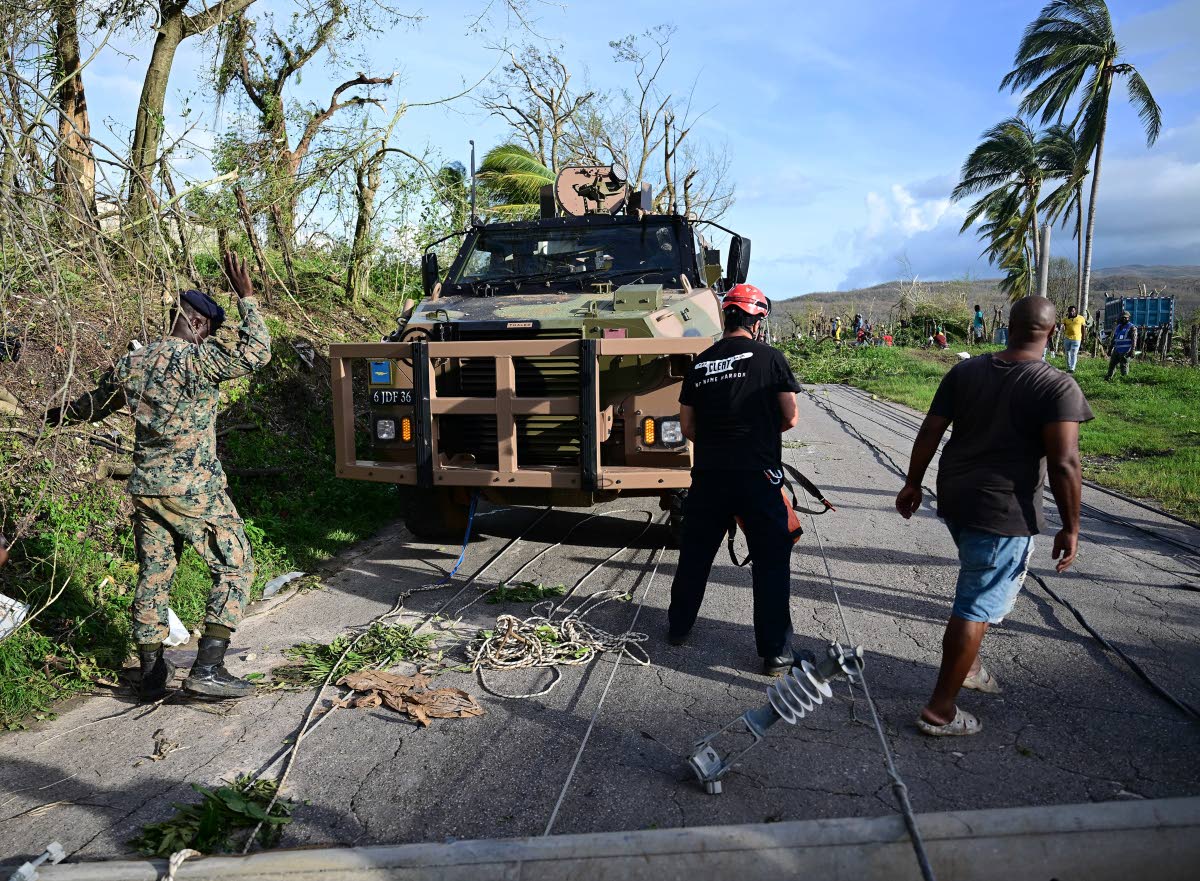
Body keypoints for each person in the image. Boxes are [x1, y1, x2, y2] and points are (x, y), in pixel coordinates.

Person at [44, 252, 272, 701]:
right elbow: (257, 352)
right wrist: (248, 298)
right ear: (200, 325)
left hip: (147, 489)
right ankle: (207, 668)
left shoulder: (134, 363)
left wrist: (50, 418)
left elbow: (91, 406)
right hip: (193, 489)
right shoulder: (199, 361)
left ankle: (151, 674)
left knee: (154, 575)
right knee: (236, 564)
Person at [895, 296, 1092, 736]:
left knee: (978, 577)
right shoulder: (1056, 386)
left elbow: (930, 428)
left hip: (956, 498)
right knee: (977, 604)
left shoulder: (966, 371)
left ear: (1008, 327)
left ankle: (968, 664)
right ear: (1054, 332)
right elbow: (1065, 463)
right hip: (1002, 509)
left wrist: (913, 482)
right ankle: (939, 710)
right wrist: (1072, 526)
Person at [668, 283, 810, 675]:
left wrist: (718, 443)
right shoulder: (770, 359)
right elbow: (791, 416)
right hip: (757, 477)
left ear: (726, 317)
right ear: (757, 319)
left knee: (695, 554)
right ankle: (776, 653)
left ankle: (678, 628)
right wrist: (758, 436)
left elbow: (687, 425)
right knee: (771, 560)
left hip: (710, 476)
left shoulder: (701, 362)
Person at [1106, 311, 1137, 380]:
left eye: (1125, 318)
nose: (1123, 319)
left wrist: (1132, 350)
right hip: (1116, 350)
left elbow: (1134, 340)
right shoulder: (1118, 327)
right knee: (1112, 365)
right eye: (1121, 317)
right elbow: (1114, 339)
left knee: (1124, 366)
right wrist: (1110, 349)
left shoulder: (1132, 327)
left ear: (1128, 318)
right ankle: (1108, 378)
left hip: (1125, 351)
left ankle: (1125, 380)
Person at [1061, 305, 1087, 373]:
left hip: (1076, 338)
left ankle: (1072, 368)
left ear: (1075, 311)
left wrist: (1083, 338)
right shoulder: (1065, 319)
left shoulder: (1081, 318)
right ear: (1068, 312)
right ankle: (1068, 366)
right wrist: (1062, 326)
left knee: (1074, 353)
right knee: (1067, 353)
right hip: (1067, 338)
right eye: (1070, 311)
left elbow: (1083, 328)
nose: (1071, 312)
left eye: (1073, 311)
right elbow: (1062, 326)